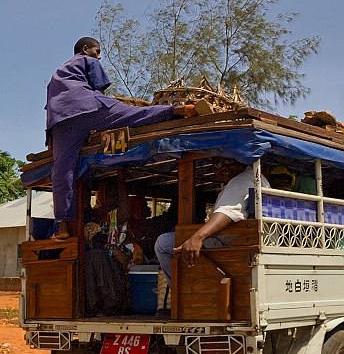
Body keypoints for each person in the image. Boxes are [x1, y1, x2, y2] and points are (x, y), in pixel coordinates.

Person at [47, 37, 198, 240]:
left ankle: (63, 227)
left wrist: (51, 140)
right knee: (135, 115)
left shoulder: (56, 76)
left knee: (62, 171)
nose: (99, 55)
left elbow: (51, 107)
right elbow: (98, 90)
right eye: (97, 50)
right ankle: (177, 109)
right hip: (88, 106)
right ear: (85, 49)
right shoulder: (87, 60)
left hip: (61, 121)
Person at [154, 158, 271, 288]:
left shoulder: (241, 180)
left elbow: (226, 213)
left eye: (228, 161)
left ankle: (181, 294)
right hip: (239, 245)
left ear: (242, 159)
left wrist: (198, 237)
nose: (223, 167)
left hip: (232, 248)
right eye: (218, 164)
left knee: (164, 243)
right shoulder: (254, 177)